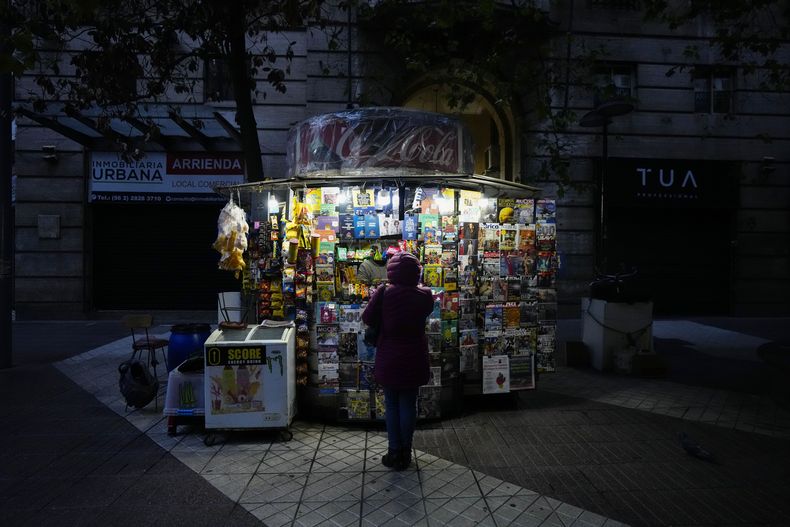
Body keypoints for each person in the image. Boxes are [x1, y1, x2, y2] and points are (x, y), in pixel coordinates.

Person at [361, 251, 433, 470]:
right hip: (414, 355)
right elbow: (426, 313)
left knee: (391, 405)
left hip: (389, 355)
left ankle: (394, 452)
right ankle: (406, 453)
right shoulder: (425, 295)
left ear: (391, 270)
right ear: (416, 272)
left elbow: (367, 318)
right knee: (409, 404)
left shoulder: (383, 293)